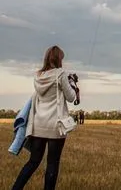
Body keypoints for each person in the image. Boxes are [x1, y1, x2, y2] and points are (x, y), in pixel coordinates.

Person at [11, 45, 78, 190]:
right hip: (56, 126)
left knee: (33, 161)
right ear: (59, 59)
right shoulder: (60, 74)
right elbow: (71, 97)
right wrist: (72, 83)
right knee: (52, 164)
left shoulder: (38, 76)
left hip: (37, 126)